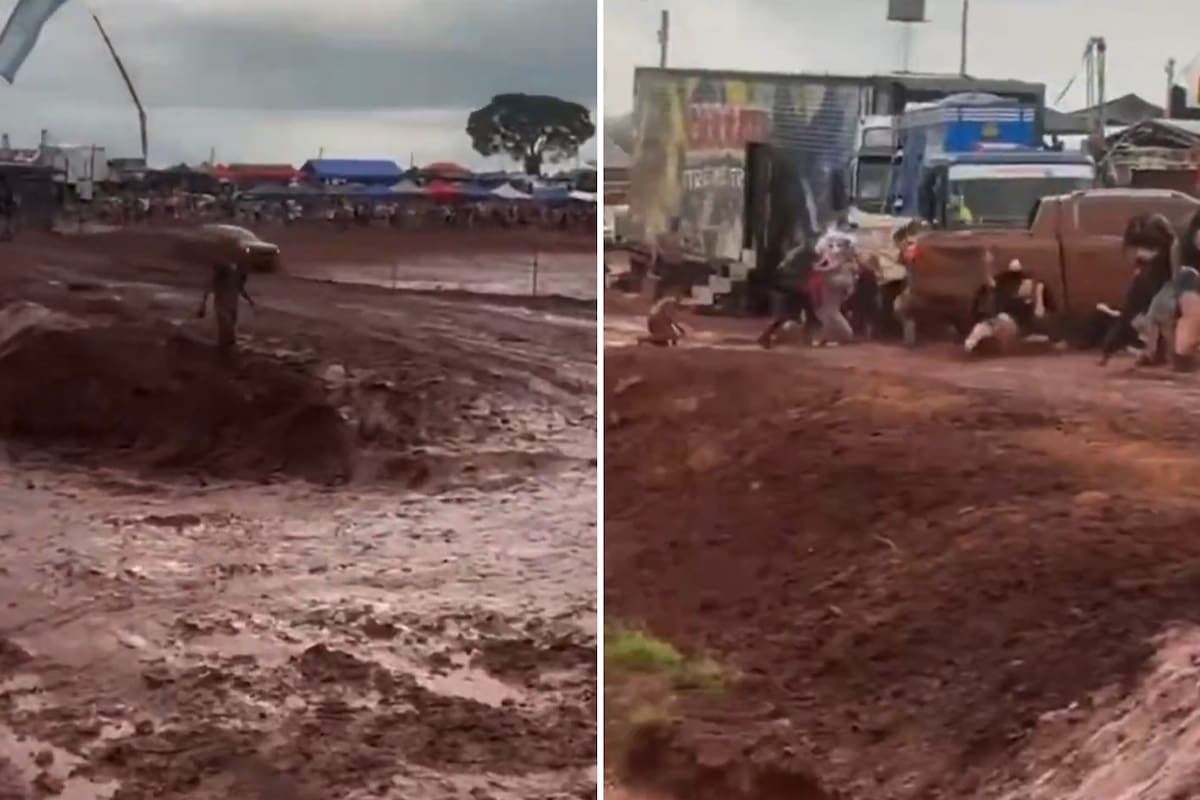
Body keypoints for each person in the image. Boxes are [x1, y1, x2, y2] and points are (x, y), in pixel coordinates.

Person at [1099, 214, 1175, 366]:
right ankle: (1158, 354)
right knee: (1151, 318)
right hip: (1162, 288)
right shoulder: (1164, 256)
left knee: (1146, 317)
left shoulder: (1152, 267)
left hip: (1160, 289)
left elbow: (1130, 313)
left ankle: (1159, 354)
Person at [757, 233, 815, 349]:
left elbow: (781, 268)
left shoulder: (795, 252)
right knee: (808, 311)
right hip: (794, 285)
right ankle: (807, 339)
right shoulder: (807, 253)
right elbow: (815, 266)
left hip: (787, 285)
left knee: (788, 315)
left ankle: (766, 336)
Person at [197, 261, 256, 362]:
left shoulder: (238, 274)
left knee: (229, 331)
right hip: (223, 305)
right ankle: (223, 357)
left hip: (232, 305)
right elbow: (210, 287)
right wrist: (203, 306)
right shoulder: (222, 271)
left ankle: (225, 357)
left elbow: (240, 288)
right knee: (226, 330)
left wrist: (249, 300)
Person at [810, 224, 857, 346]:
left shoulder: (836, 251)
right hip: (840, 280)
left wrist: (817, 269)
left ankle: (846, 335)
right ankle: (827, 336)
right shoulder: (841, 250)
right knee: (827, 310)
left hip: (835, 281)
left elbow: (832, 266)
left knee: (830, 310)